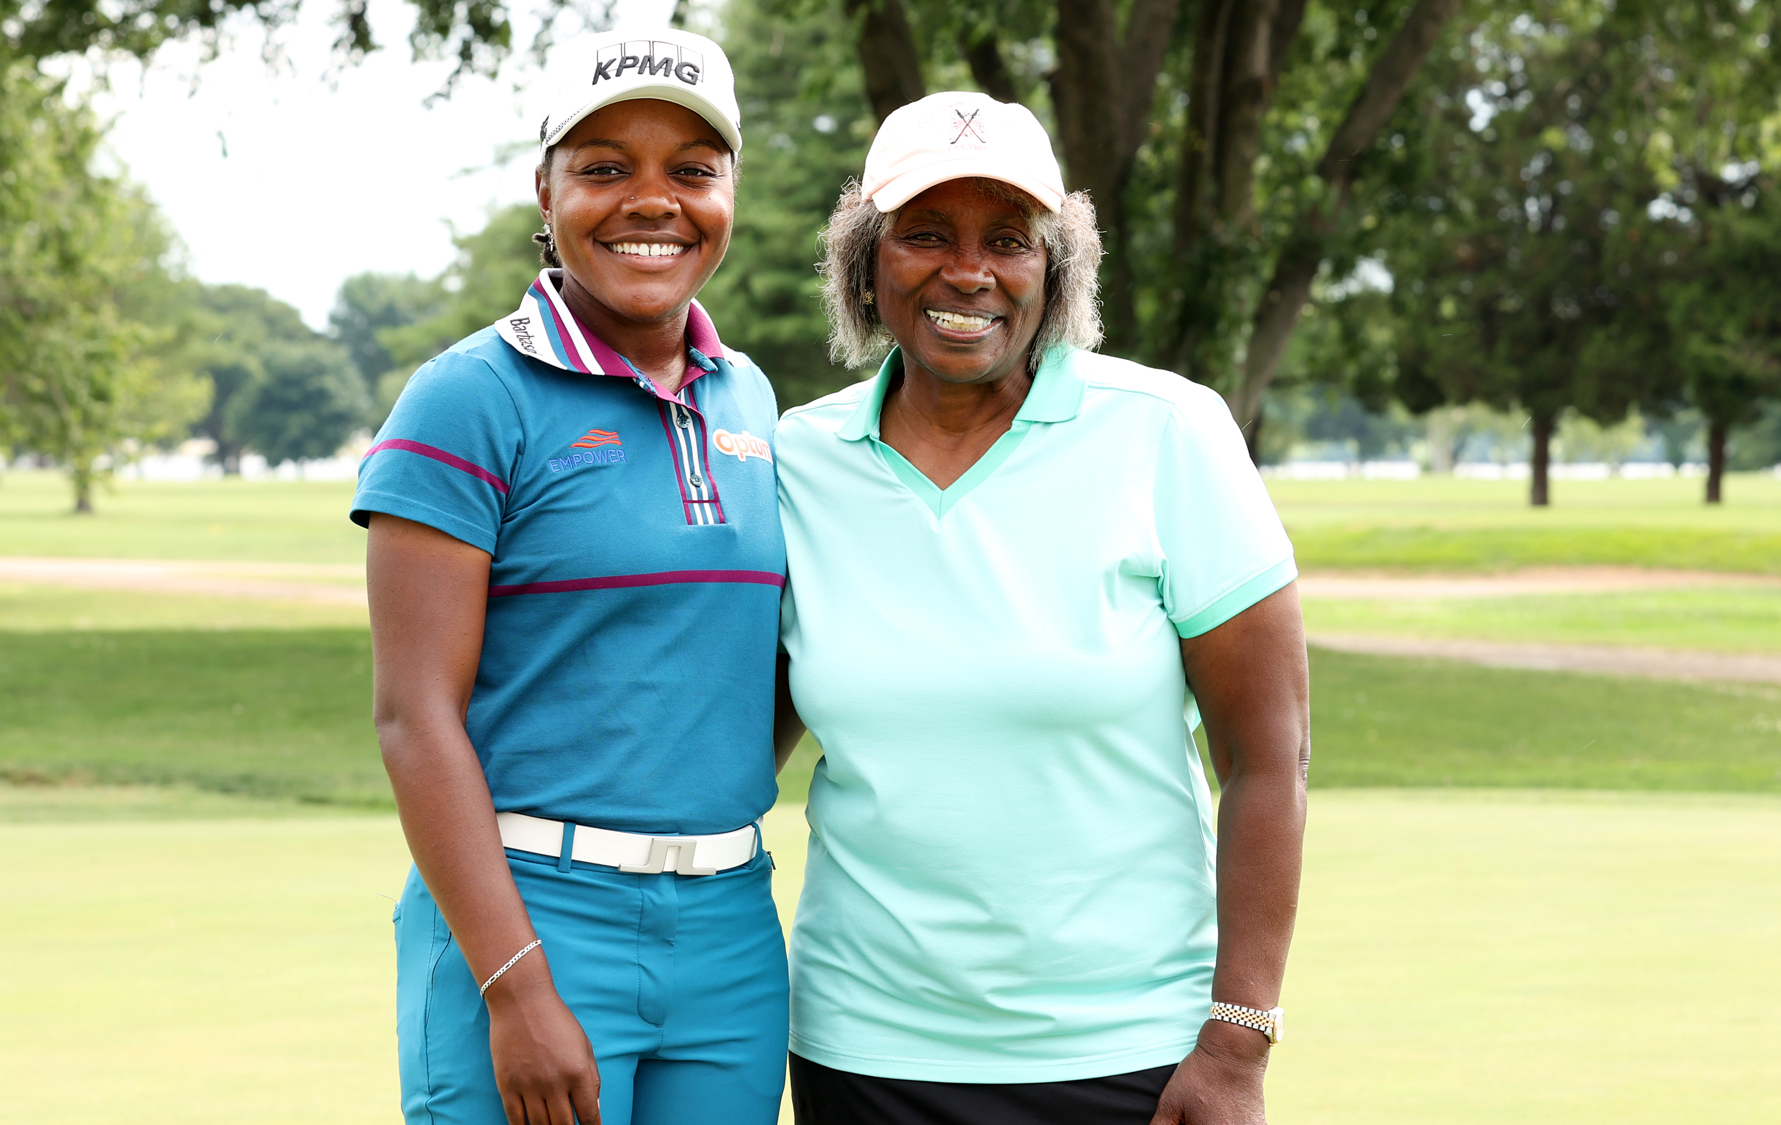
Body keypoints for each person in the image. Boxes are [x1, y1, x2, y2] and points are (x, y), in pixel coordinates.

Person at [775, 92, 1311, 1124]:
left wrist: (1238, 1039)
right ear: (863, 264)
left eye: (1008, 240)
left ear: (1056, 269)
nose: (966, 271)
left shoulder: (1169, 433)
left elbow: (1267, 757)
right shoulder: (795, 459)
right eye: (924, 235)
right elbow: (731, 739)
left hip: (1131, 1056)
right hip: (862, 1051)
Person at [355, 26, 789, 1125]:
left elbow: (752, 669)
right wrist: (514, 981)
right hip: (532, 912)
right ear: (543, 191)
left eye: (691, 171)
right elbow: (414, 716)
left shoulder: (749, 400)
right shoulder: (466, 397)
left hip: (731, 921)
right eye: (604, 169)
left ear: (729, 191)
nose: (653, 202)